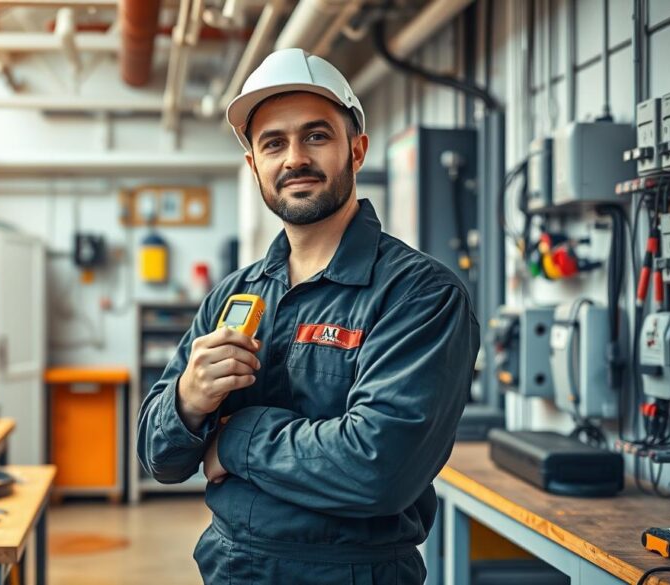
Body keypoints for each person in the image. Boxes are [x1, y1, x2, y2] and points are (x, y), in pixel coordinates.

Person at [136, 48, 480, 584]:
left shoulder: (420, 295)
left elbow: (377, 469)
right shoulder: (235, 294)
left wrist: (234, 438)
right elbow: (159, 459)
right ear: (255, 165)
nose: (294, 157)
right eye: (273, 143)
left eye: (315, 136)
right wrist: (188, 399)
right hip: (229, 568)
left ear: (357, 150)